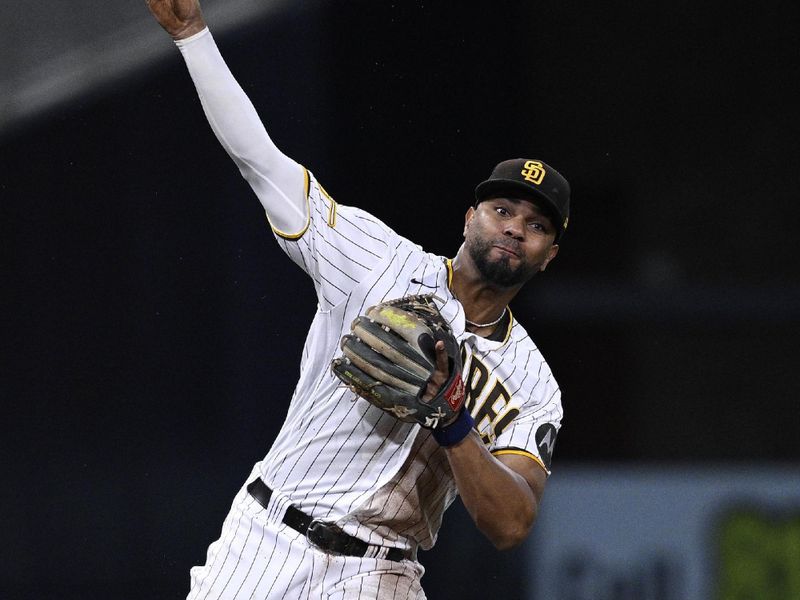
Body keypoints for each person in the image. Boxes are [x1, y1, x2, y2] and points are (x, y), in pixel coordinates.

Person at [147, 1, 570, 598]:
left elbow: (511, 523)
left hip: (380, 575)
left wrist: (453, 420)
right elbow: (262, 165)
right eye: (503, 210)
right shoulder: (374, 257)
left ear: (549, 254)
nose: (514, 228)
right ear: (470, 216)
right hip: (265, 541)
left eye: (536, 225)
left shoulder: (532, 382)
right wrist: (193, 37)